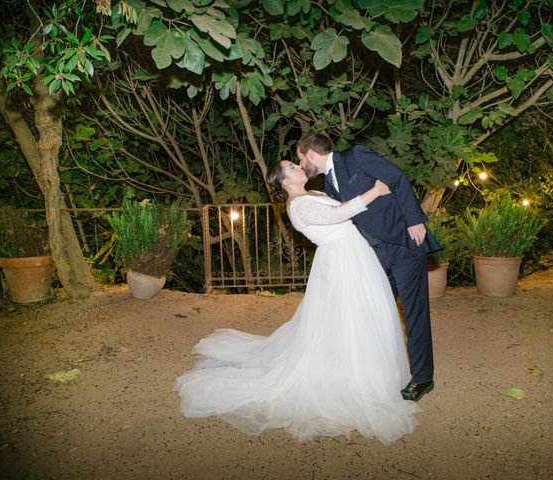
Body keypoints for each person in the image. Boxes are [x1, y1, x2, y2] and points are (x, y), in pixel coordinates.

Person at [175, 160, 419, 445]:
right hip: (342, 263)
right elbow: (340, 214)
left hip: (354, 255)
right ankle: (354, 376)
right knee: (350, 317)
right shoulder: (298, 206)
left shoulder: (311, 195)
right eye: (291, 166)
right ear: (283, 182)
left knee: (363, 315)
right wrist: (375, 191)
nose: (298, 165)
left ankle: (370, 371)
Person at [296, 133, 441, 403]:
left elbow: (395, 177)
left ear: (310, 153)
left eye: (300, 159)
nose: (302, 165)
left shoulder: (356, 156)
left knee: (414, 314)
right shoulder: (328, 184)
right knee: (377, 312)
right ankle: (378, 372)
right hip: (376, 255)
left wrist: (414, 221)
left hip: (404, 244)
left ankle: (423, 378)